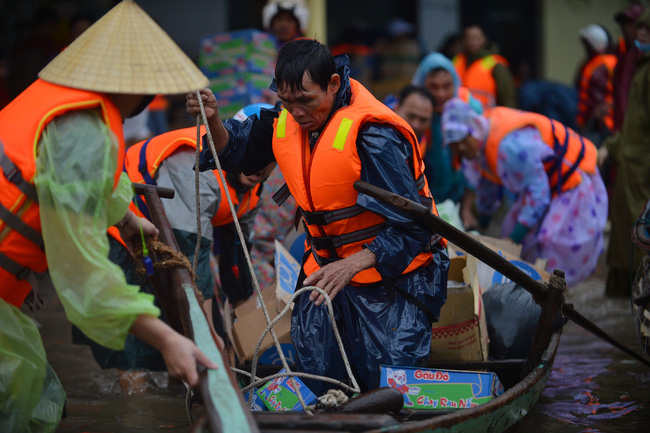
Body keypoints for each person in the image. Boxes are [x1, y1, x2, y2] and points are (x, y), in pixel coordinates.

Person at [187, 39, 449, 395]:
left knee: (387, 387)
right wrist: (214, 119)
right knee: (319, 377)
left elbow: (414, 226)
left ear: (333, 85)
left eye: (306, 101)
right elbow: (236, 150)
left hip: (396, 274)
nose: (296, 113)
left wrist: (355, 263)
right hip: (325, 271)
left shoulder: (374, 136)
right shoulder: (287, 117)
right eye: (287, 101)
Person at [0, 2, 216, 431]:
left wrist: (131, 221)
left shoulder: (58, 98)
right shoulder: (83, 126)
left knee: (32, 394)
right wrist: (166, 338)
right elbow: (83, 273)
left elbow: (95, 182)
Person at [77, 107, 274, 387]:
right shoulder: (197, 165)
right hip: (116, 231)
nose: (258, 167)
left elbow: (236, 258)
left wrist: (247, 329)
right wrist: (209, 336)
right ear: (233, 143)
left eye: (269, 158)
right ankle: (140, 411)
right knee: (135, 351)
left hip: (160, 236)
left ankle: (177, 390)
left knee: (193, 337)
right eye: (252, 153)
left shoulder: (252, 187)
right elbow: (192, 255)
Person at [442, 98, 608, 285]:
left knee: (550, 242)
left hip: (572, 181)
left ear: (474, 128)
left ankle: (553, 295)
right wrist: (482, 225)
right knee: (513, 228)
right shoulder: (480, 144)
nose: (460, 148)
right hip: (544, 183)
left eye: (463, 140)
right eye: (453, 144)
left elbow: (538, 196)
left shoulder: (509, 147)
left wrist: (513, 240)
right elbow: (486, 185)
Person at [599, 10, 650, 297]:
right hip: (632, 165)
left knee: (639, 233)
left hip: (642, 171)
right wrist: (612, 147)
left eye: (646, 30)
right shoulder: (637, 65)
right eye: (639, 29)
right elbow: (634, 125)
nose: (640, 34)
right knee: (626, 234)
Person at [411, 52, 483, 229]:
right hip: (423, 198)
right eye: (433, 87)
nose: (440, 94)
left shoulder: (469, 109)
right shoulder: (413, 112)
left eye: (446, 86)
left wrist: (466, 209)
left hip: (459, 195)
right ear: (421, 86)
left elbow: (475, 163)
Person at [452, 25, 517, 109]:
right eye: (468, 38)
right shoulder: (457, 61)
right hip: (459, 116)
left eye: (476, 37)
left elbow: (508, 99)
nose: (472, 41)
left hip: (488, 118)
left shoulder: (495, 65)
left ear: (484, 39)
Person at [576, 24, 617, 146]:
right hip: (605, 124)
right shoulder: (611, 61)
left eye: (587, 45)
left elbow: (595, 100)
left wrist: (584, 121)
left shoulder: (599, 66)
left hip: (600, 126)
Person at [613, 2, 645, 133]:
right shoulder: (621, 52)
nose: (626, 28)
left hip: (638, 128)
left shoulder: (642, 55)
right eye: (624, 24)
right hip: (622, 126)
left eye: (630, 24)